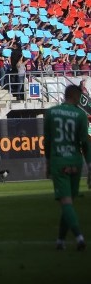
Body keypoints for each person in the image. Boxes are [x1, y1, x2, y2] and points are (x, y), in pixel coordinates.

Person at [44, 84, 91, 251]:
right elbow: (85, 143)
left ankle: (79, 237)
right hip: (75, 160)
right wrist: (90, 166)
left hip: (59, 160)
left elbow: (47, 141)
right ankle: (60, 241)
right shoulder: (80, 114)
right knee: (69, 201)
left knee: (66, 202)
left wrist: (48, 163)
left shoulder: (50, 113)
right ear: (77, 97)